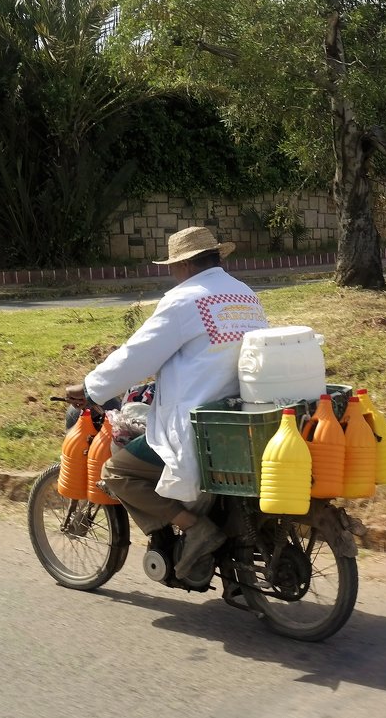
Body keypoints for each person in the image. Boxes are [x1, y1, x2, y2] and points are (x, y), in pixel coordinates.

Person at [64, 225, 268, 579]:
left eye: (173, 266)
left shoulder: (184, 299)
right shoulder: (243, 293)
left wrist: (91, 387)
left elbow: (138, 354)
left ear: (185, 264)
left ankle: (193, 527)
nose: (172, 273)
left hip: (194, 425)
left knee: (117, 472)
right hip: (237, 416)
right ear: (216, 257)